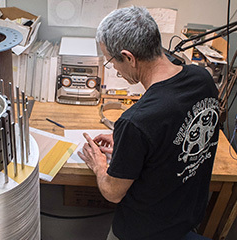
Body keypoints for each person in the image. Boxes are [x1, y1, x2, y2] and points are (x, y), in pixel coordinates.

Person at [77, 6, 220, 240]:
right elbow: (176, 130)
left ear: (129, 58)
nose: (113, 68)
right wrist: (130, 144)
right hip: (187, 219)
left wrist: (99, 164)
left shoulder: (136, 121)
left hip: (144, 232)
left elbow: (113, 193)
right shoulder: (202, 78)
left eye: (112, 61)